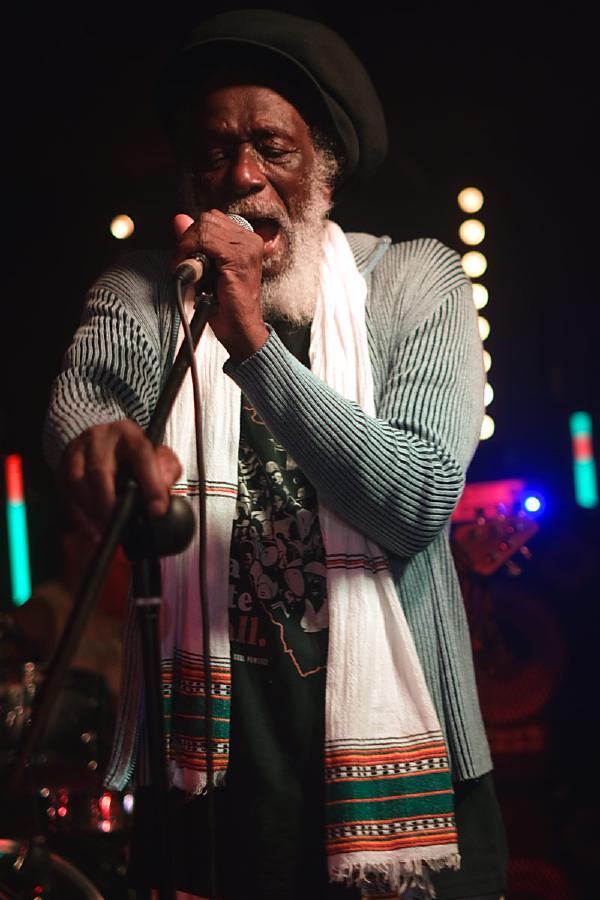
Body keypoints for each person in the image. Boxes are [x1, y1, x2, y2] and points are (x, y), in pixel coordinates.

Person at [44, 9, 507, 900]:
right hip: (216, 795)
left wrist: (251, 341)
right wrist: (91, 447)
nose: (243, 178)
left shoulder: (414, 282)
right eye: (216, 153)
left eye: (272, 148)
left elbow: (414, 499)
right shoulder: (143, 298)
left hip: (409, 790)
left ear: (322, 165)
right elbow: (87, 410)